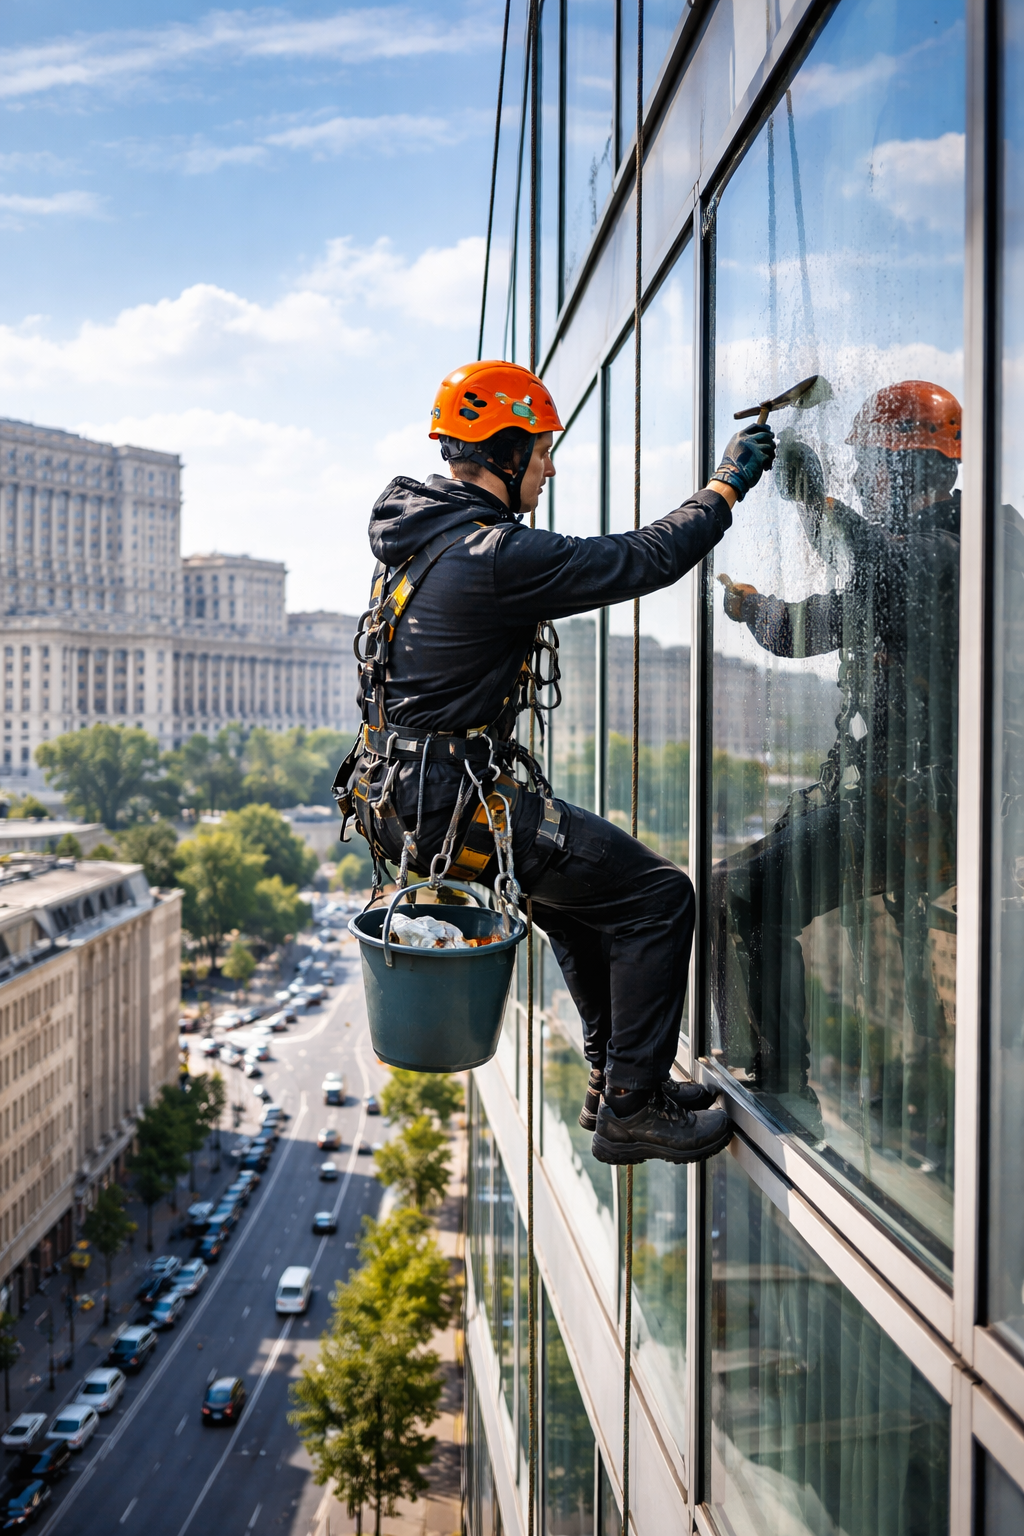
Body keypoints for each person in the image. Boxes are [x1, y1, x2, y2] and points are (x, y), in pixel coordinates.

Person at [338, 359, 776, 1165]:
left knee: (578, 910)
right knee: (657, 896)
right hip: (450, 801)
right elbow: (644, 558)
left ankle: (617, 1078)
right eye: (540, 449)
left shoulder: (418, 544)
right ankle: (633, 1108)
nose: (549, 463)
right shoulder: (490, 553)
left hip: (405, 797)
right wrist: (725, 487)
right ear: (506, 452)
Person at [712, 380, 961, 1143]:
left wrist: (814, 504)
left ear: (903, 471)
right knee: (742, 889)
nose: (858, 480)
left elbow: (879, 578)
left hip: (921, 802)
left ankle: (781, 1093)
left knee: (739, 895)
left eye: (866, 468)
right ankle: (787, 1082)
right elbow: (809, 627)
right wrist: (755, 608)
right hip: (920, 801)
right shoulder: (935, 558)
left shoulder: (953, 554)